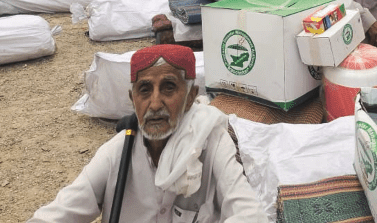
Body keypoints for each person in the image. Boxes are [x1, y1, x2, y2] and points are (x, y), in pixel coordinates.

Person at [29, 44, 268, 223]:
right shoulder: (117, 153)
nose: (154, 104)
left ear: (190, 97)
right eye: (145, 90)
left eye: (169, 87)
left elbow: (249, 214)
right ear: (133, 100)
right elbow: (61, 211)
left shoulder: (213, 142)